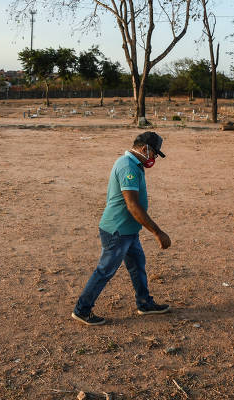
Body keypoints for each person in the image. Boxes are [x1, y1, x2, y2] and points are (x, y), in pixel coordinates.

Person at [72, 131, 171, 326]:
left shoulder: (132, 164)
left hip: (128, 231)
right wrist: (158, 232)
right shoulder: (128, 167)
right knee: (105, 270)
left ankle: (144, 303)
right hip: (117, 232)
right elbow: (132, 205)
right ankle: (82, 310)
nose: (153, 159)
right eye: (154, 154)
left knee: (137, 265)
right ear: (145, 149)